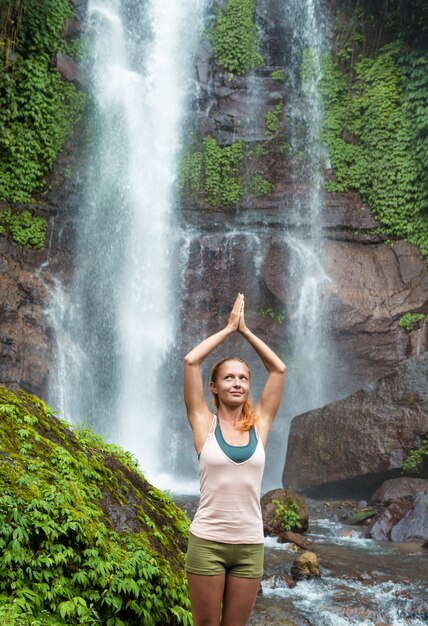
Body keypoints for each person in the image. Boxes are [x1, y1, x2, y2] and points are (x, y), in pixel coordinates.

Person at [183, 293, 286, 626]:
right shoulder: (203, 423)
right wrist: (228, 329)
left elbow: (278, 369)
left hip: (249, 545)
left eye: (243, 378)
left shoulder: (261, 424)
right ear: (214, 387)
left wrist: (246, 331)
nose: (237, 383)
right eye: (228, 377)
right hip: (207, 542)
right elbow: (190, 362)